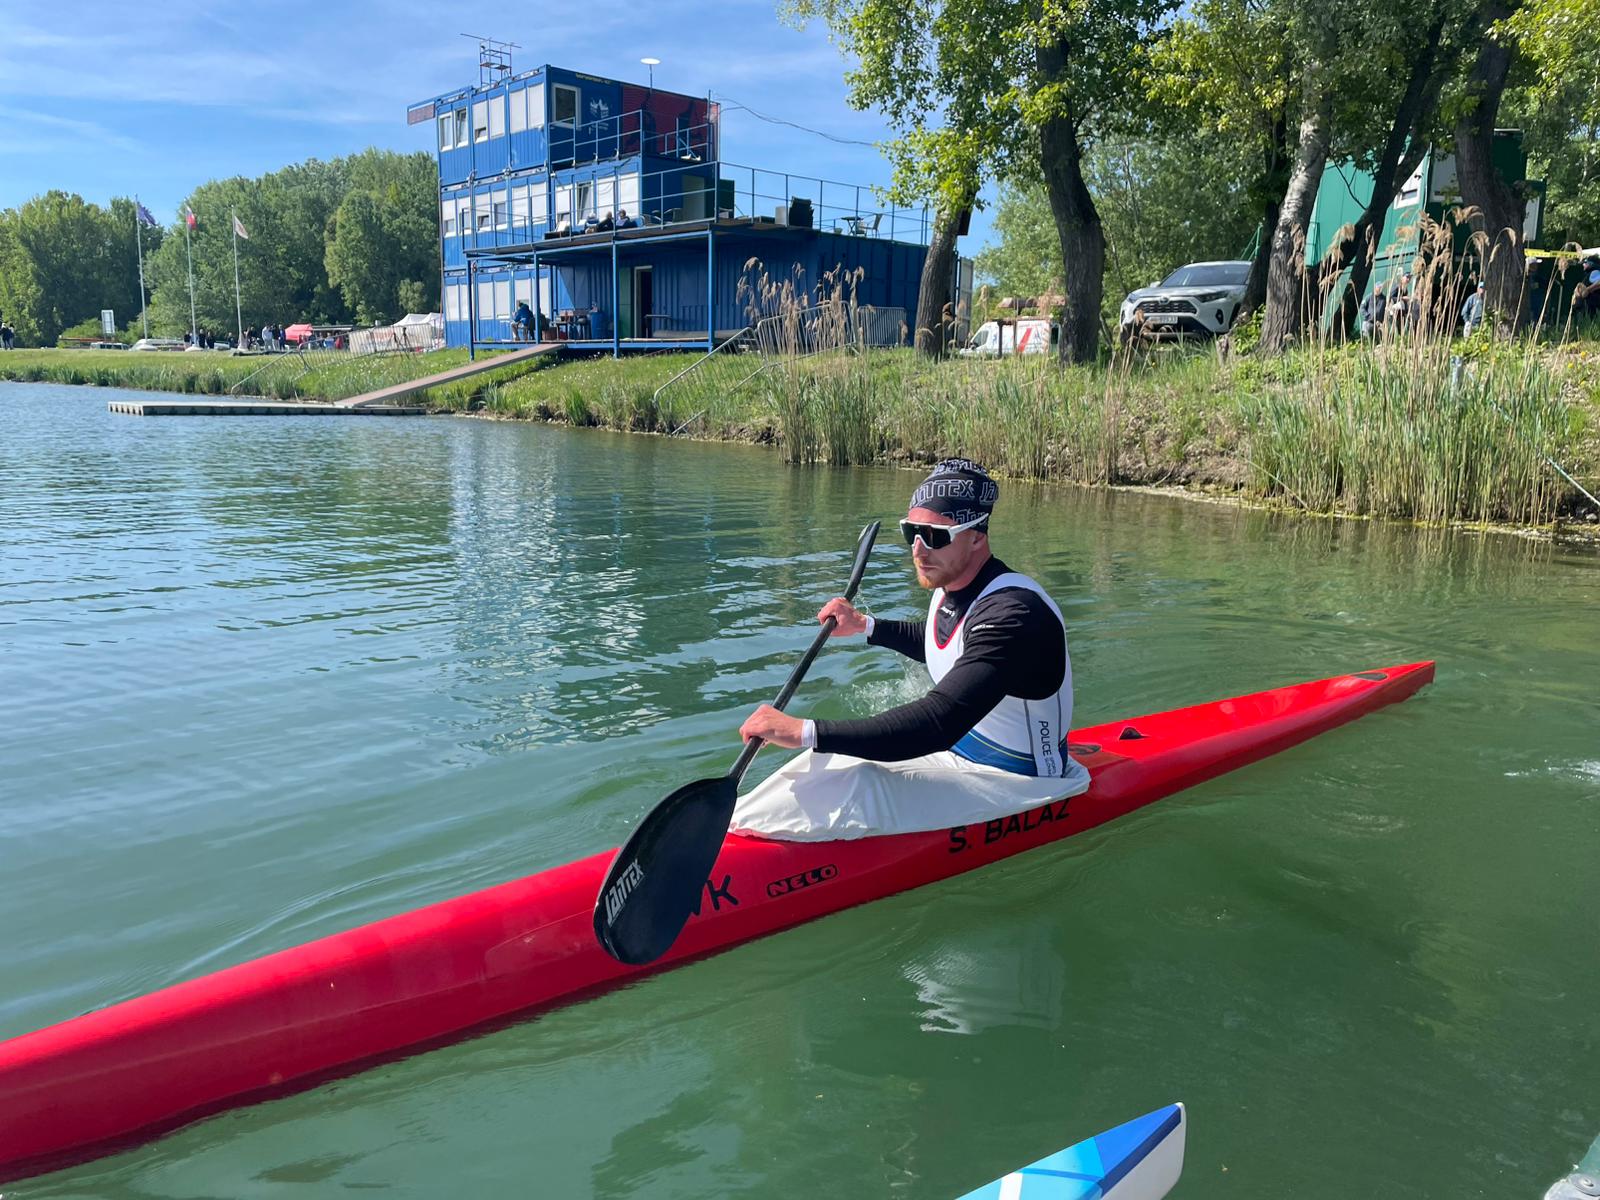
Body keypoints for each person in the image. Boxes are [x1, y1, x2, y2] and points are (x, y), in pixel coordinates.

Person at [731, 458, 1092, 841]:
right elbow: (942, 644)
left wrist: (804, 729)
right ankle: (731, 831)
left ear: (976, 536)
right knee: (825, 763)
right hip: (961, 753)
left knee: (859, 782)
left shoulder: (1014, 615)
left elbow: (937, 722)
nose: (918, 550)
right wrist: (866, 626)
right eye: (912, 532)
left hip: (1020, 781)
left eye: (935, 535)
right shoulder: (952, 585)